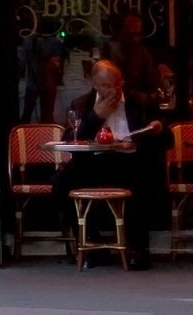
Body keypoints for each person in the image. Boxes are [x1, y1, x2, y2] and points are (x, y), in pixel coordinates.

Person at [52, 60, 167, 268]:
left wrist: (156, 130)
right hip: (94, 163)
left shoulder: (140, 102)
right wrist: (96, 117)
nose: (114, 90)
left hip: (129, 161)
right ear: (94, 84)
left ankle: (138, 249)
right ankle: (91, 245)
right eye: (106, 86)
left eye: (118, 84)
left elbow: (164, 137)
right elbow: (71, 139)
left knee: (142, 179)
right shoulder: (81, 105)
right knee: (61, 182)